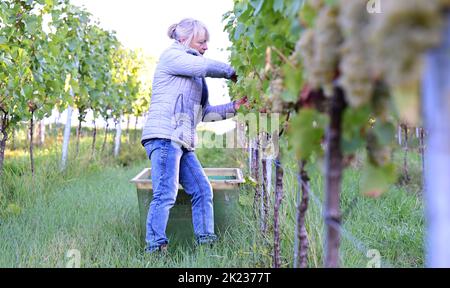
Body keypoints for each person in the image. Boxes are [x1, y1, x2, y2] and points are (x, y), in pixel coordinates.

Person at [141, 18, 248, 253]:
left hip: (181, 140)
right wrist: (232, 72)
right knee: (165, 194)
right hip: (165, 136)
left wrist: (236, 106)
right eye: (202, 41)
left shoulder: (194, 75)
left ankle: (206, 243)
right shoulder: (172, 56)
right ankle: (155, 247)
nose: (206, 46)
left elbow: (206, 113)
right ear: (184, 39)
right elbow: (204, 66)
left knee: (202, 189)